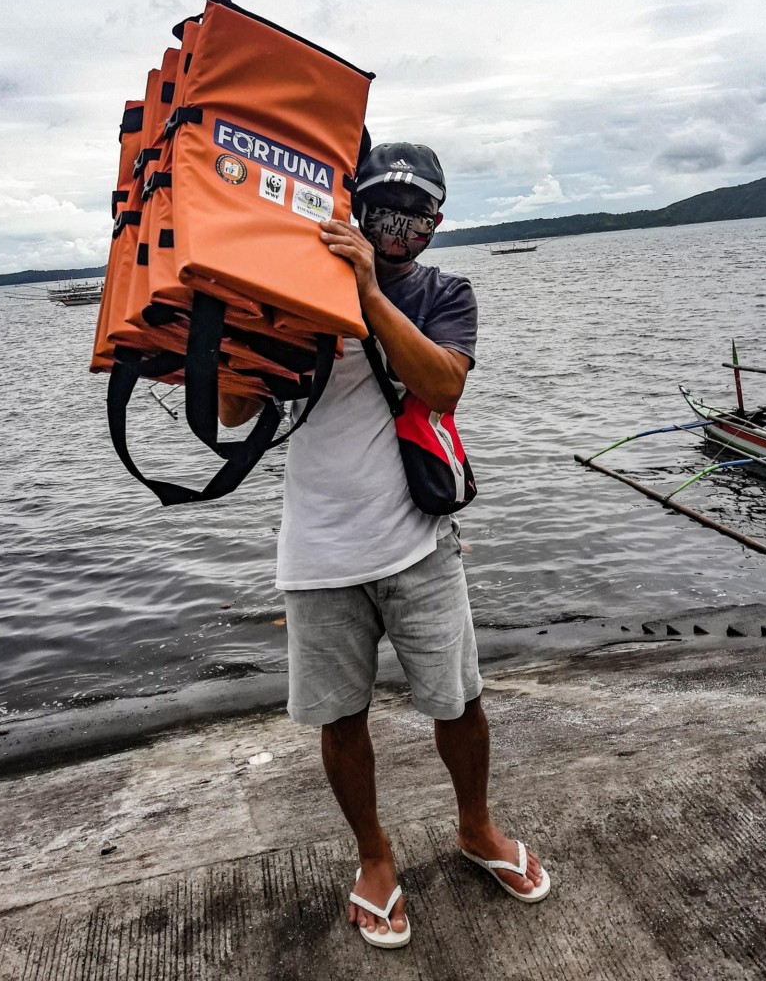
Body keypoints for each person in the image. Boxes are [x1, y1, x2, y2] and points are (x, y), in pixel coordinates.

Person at [220, 142, 549, 949]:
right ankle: (373, 856)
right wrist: (230, 326)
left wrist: (367, 289)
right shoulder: (293, 297)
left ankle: (476, 828)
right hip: (317, 550)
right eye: (381, 211)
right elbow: (232, 414)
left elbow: (443, 383)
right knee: (341, 718)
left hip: (419, 541)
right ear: (352, 208)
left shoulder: (446, 293)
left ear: (437, 226)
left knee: (459, 700)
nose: (396, 228)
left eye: (414, 216)